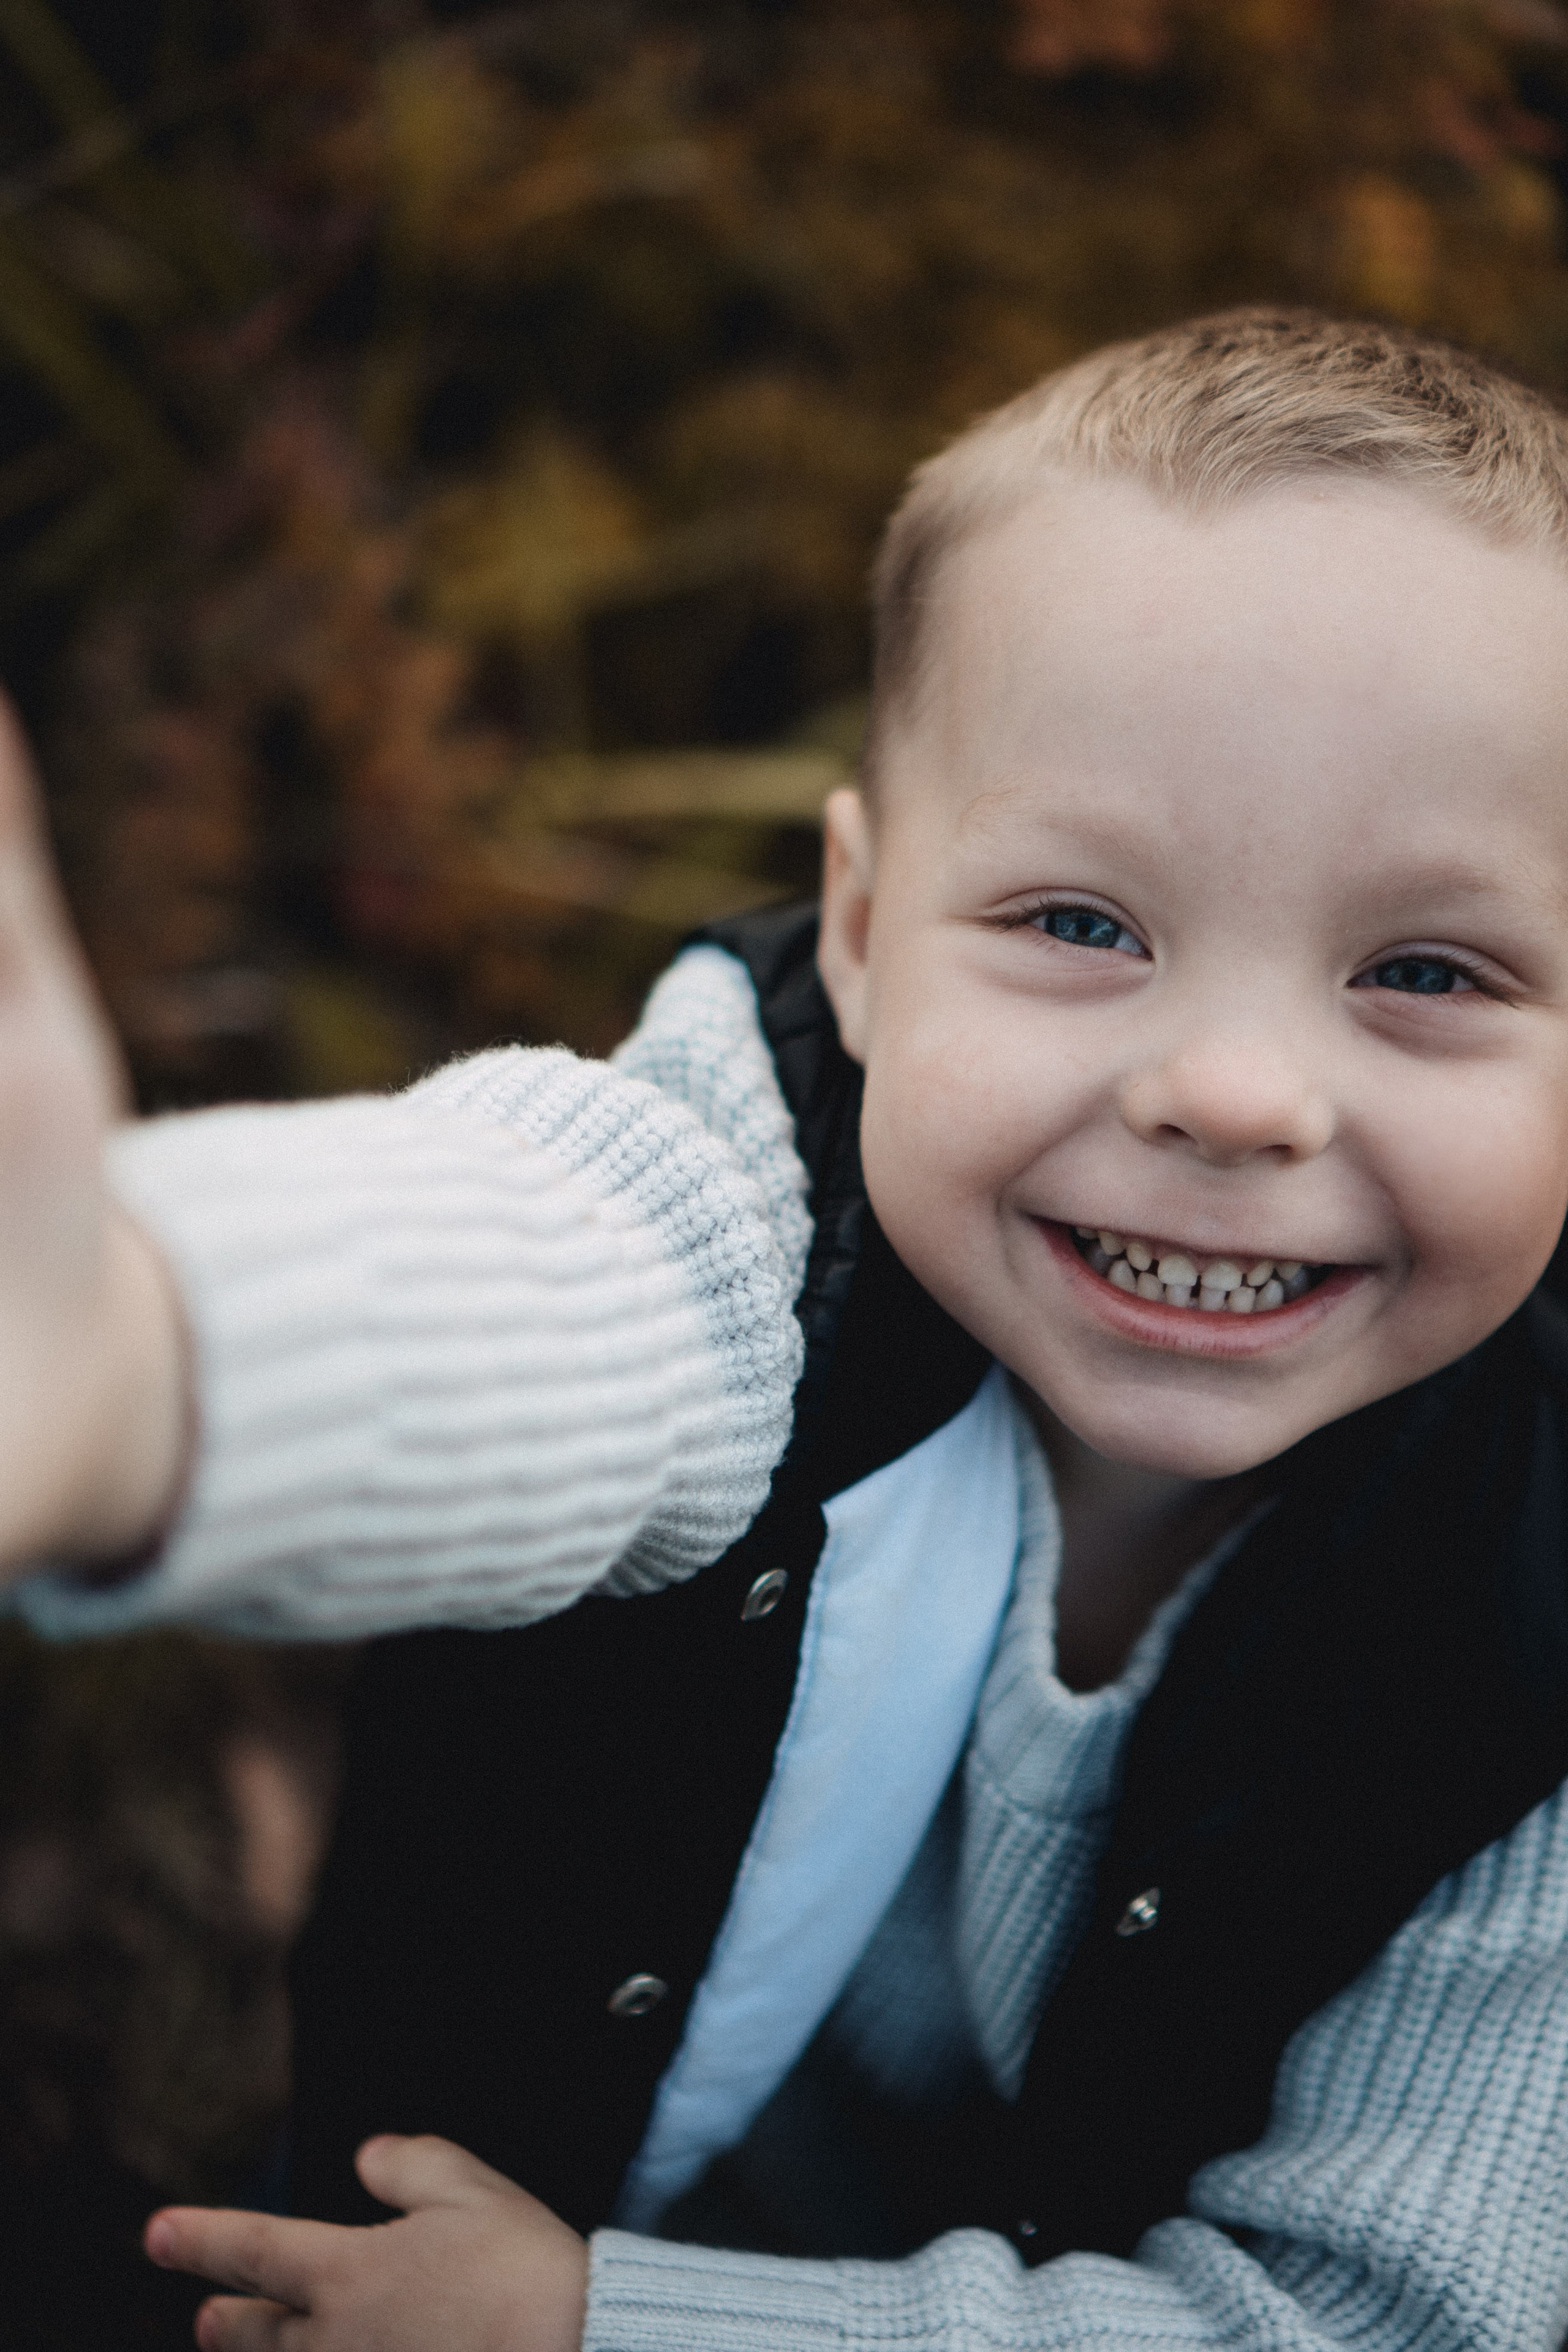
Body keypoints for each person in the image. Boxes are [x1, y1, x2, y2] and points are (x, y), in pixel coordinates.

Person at [7, 304, 1568, 2351]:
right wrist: (126, 1355)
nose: (1236, 1092)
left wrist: (611, 2328)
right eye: (1081, 926)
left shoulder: (1539, 1614)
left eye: (1430, 971)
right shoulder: (760, 1200)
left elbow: (1378, 2322)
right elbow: (538, 1270)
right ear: (856, 927)